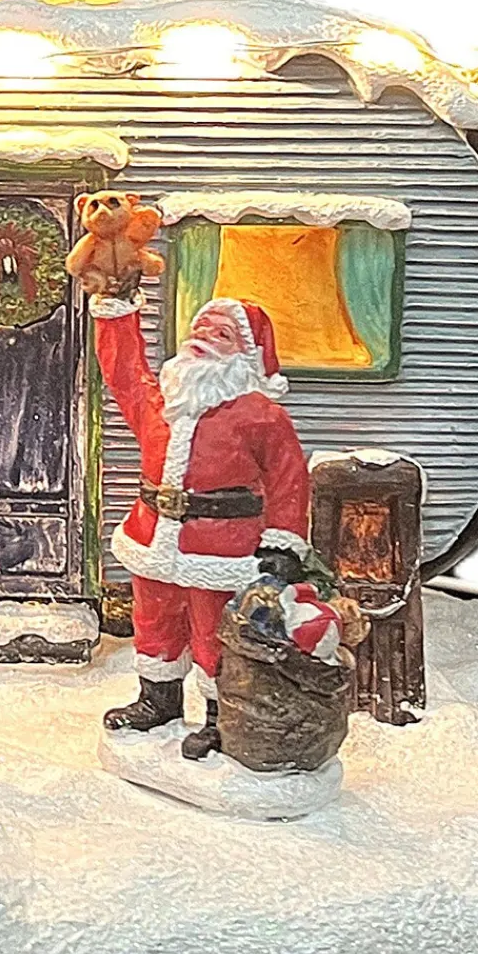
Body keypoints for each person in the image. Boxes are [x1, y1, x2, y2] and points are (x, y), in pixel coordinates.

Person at [83, 288, 314, 759]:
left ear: (246, 355)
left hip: (221, 548)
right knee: (154, 621)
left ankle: (219, 717)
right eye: (201, 327)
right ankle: (158, 700)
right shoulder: (164, 404)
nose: (204, 337)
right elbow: (125, 371)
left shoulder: (262, 416)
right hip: (153, 538)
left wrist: (284, 543)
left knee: (214, 632)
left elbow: (288, 479)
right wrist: (117, 307)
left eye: (222, 333)